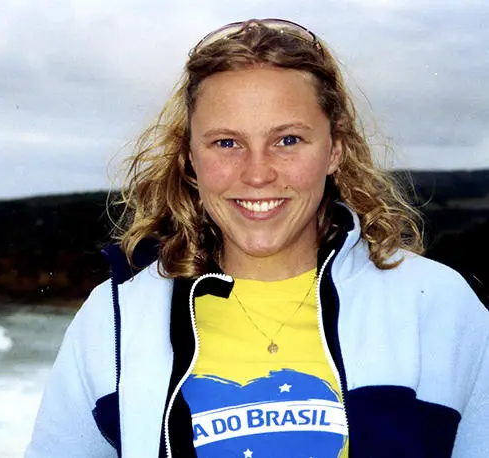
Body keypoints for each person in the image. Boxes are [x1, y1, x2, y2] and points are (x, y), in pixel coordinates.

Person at [25, 19, 488, 457]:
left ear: (334, 151)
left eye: (287, 140)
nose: (258, 173)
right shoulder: (115, 320)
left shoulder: (437, 305)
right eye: (227, 142)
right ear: (190, 159)